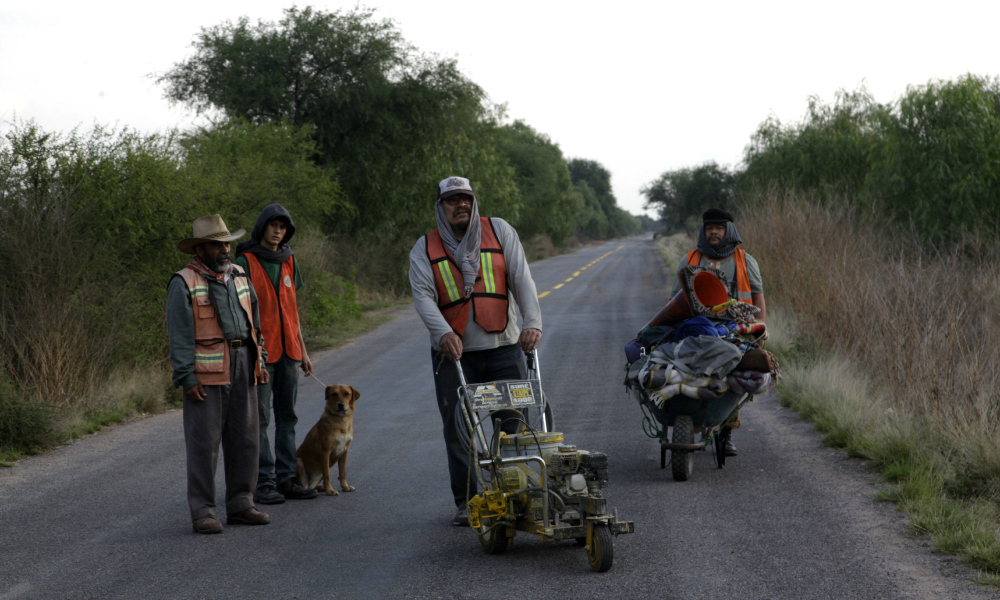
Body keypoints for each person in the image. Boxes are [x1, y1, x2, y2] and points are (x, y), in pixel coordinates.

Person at [409, 176, 543, 526]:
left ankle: (517, 495)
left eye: (465, 198)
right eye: (452, 200)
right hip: (453, 356)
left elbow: (521, 278)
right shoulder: (424, 248)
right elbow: (423, 297)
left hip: (504, 348)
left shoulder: (499, 231)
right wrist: (442, 334)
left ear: (474, 201)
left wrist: (533, 323)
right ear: (441, 207)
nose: (461, 205)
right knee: (459, 428)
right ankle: (468, 502)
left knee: (512, 423)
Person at [166, 214, 272, 534]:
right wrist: (186, 377)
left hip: (245, 362)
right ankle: (203, 511)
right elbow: (179, 334)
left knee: (246, 439)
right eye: (216, 245)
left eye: (226, 243)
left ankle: (241, 503)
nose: (224, 249)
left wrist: (261, 360)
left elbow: (255, 321)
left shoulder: (239, 274)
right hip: (206, 373)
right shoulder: (183, 281)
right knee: (204, 445)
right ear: (200, 249)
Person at [234, 204, 319, 504]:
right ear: (262, 228)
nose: (278, 231)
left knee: (288, 416)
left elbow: (292, 311)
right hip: (261, 355)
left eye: (283, 227)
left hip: (291, 353)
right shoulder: (245, 261)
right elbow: (239, 314)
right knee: (260, 420)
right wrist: (250, 354)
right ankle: (264, 482)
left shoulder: (289, 259)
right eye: (273, 225)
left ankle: (287, 478)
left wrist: (304, 352)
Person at [669, 207, 767, 457]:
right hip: (697, 330)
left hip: (736, 329)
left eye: (719, 228)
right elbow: (673, 300)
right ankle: (691, 417)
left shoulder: (745, 261)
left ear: (729, 231)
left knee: (733, 378)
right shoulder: (689, 259)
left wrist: (759, 329)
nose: (714, 232)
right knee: (689, 370)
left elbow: (758, 298)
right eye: (710, 228)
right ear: (704, 231)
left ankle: (726, 430)